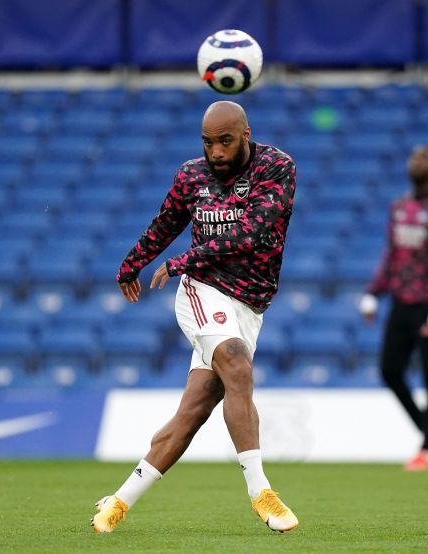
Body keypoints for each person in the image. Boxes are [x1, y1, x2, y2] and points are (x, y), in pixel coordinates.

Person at [91, 101, 298, 534]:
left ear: (245, 134)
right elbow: (167, 221)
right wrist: (135, 262)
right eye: (208, 143)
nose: (216, 152)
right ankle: (261, 491)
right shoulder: (192, 175)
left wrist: (186, 256)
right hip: (202, 290)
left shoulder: (276, 168)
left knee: (194, 411)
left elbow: (253, 232)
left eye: (225, 141)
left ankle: (118, 502)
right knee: (236, 364)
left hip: (250, 303)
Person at [358, 145, 428, 472]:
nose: (416, 161)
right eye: (413, 156)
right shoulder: (399, 207)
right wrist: (374, 293)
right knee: (389, 370)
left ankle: (425, 450)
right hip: (401, 301)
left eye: (424, 157)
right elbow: (392, 255)